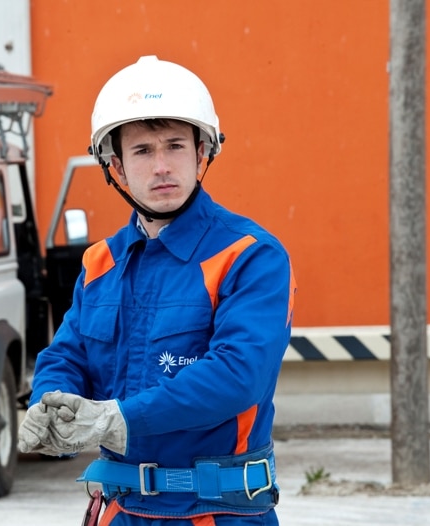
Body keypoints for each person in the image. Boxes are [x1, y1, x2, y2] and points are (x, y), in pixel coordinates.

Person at [18, 56, 296, 525]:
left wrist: (117, 419)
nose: (162, 166)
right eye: (143, 150)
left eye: (174, 145)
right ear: (116, 166)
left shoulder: (251, 256)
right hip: (118, 511)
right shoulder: (100, 263)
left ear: (202, 152)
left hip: (217, 513)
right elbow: (67, 357)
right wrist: (51, 404)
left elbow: (237, 375)